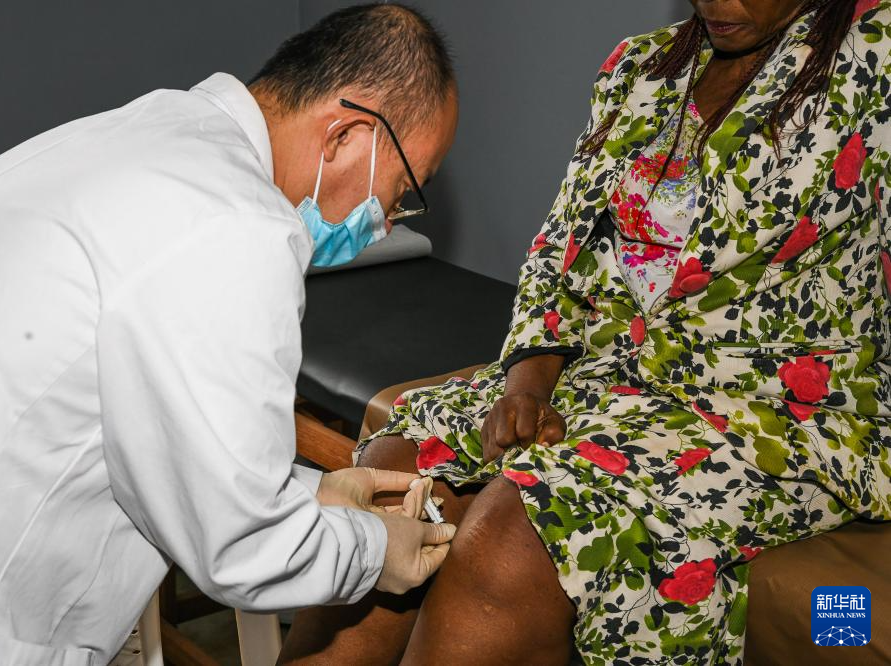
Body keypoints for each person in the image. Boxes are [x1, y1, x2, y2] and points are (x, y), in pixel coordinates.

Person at [281, 1, 891, 664]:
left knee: (518, 532)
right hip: (607, 379)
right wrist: (525, 388)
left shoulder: (874, 60)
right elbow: (559, 251)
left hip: (770, 413)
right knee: (394, 477)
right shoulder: (641, 69)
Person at [0, 4, 459, 665]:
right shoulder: (233, 226)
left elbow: (166, 438)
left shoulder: (155, 133)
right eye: (401, 188)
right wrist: (375, 552)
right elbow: (243, 546)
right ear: (344, 135)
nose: (387, 222)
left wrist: (315, 493)